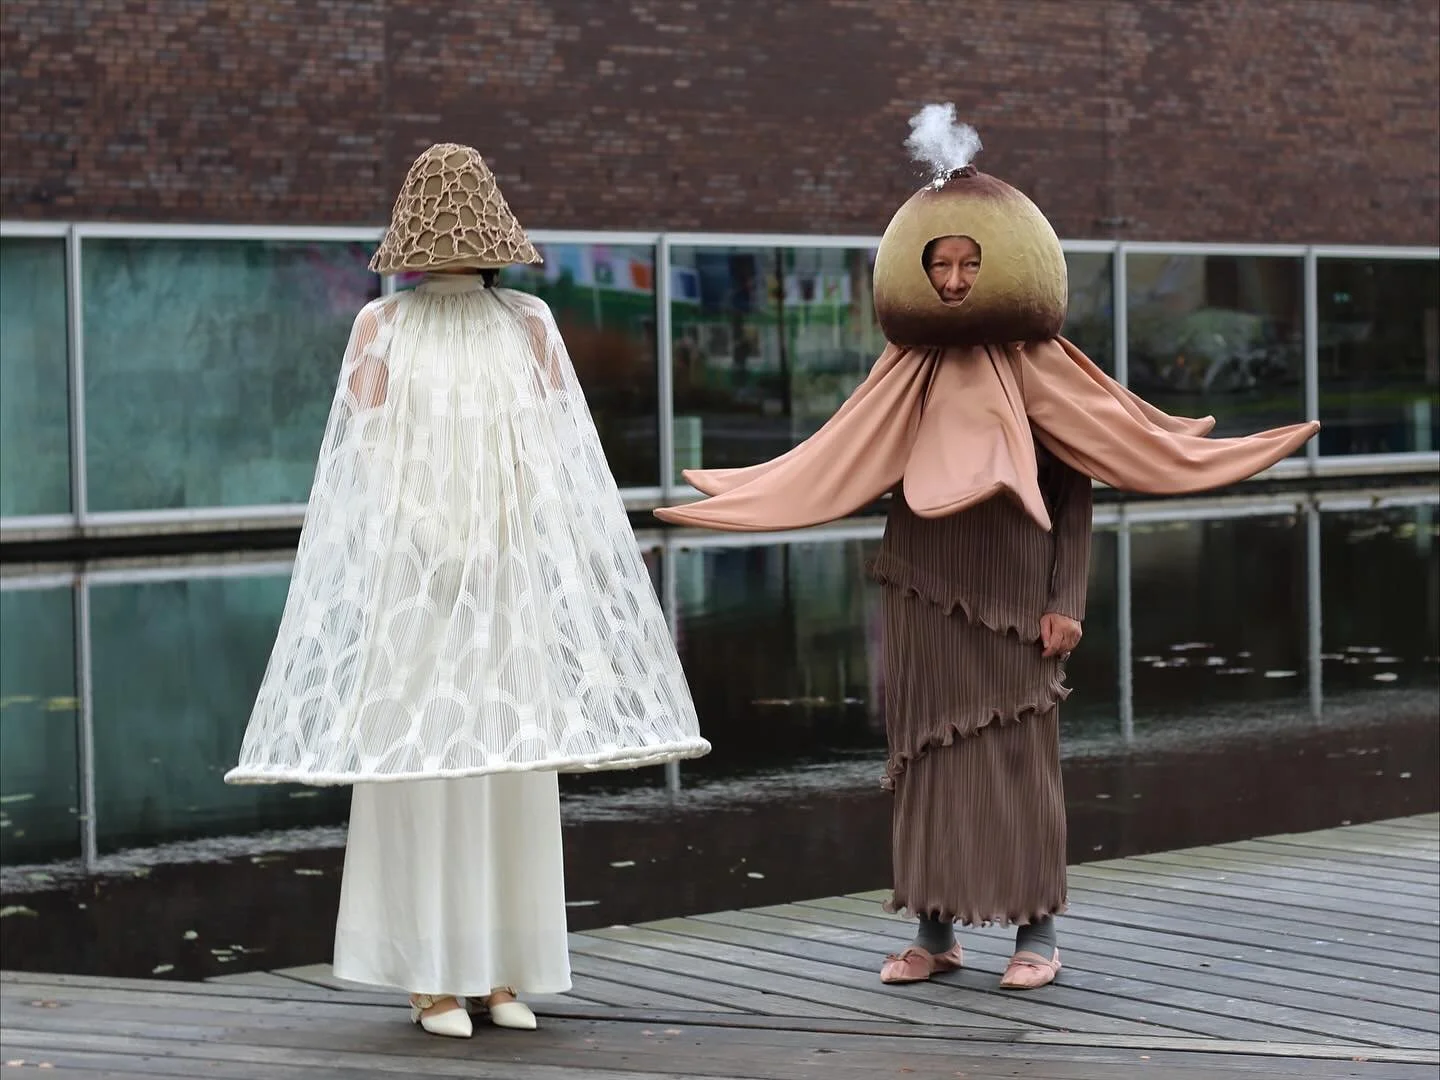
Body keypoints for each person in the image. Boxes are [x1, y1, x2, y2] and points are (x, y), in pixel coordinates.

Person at [655, 108, 1317, 991]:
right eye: (942, 264)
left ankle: (1036, 932)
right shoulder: (905, 375)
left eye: (971, 263)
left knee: (1016, 765)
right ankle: (934, 930)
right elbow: (847, 458)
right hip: (923, 589)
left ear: (1005, 265)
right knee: (923, 758)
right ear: (919, 274)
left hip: (1017, 593)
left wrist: (1066, 600)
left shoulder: (1046, 371)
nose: (958, 278)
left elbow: (1076, 489)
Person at [226, 143, 710, 1037]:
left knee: (506, 772)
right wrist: (425, 541)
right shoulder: (383, 328)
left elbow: (565, 452)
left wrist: (527, 550)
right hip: (417, 584)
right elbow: (360, 454)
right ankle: (429, 978)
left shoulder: (528, 323)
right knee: (421, 768)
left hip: (504, 578)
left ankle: (500, 969)